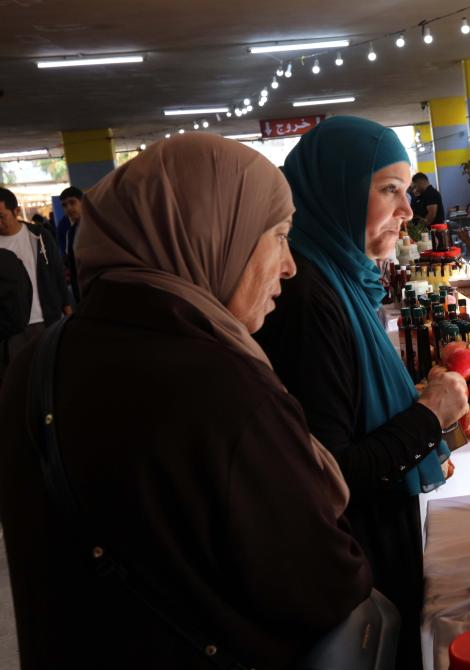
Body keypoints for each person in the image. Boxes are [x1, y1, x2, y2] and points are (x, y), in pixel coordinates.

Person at [0, 134, 374, 668]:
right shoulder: (224, 388)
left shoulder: (34, 364)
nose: (289, 267)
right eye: (279, 237)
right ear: (215, 234)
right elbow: (326, 585)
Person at [254, 116, 470, 669]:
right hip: (357, 562)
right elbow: (332, 471)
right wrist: (425, 417)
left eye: (407, 189)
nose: (407, 210)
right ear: (339, 190)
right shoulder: (307, 299)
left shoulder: (342, 276)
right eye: (388, 190)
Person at [0, 188, 71, 378]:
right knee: (20, 377)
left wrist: (68, 309)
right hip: (12, 329)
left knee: (53, 374)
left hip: (46, 319)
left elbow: (57, 274)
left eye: (1, 216)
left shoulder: (38, 236)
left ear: (16, 211)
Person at [56, 186, 84, 302]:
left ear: (83, 202)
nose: (69, 208)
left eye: (72, 203)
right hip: (81, 287)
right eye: (64, 205)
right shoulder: (68, 231)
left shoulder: (98, 224)